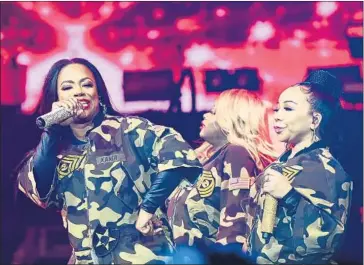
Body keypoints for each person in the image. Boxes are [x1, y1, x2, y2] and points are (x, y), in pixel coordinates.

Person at [16, 58, 202, 264]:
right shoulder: (55, 151)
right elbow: (39, 190)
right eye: (67, 87)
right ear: (56, 98)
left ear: (99, 93)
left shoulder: (130, 130)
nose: (79, 92)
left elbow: (180, 157)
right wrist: (51, 131)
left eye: (87, 84)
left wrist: (148, 208)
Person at [248, 70, 353, 264]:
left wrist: (289, 196)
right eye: (277, 109)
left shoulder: (326, 168)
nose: (277, 116)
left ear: (314, 120)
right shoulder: (281, 163)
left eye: (287, 109)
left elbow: (328, 240)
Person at [167, 89, 278, 262]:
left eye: (213, 112)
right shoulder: (202, 163)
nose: (205, 115)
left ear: (232, 118)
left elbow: (234, 221)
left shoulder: (236, 154)